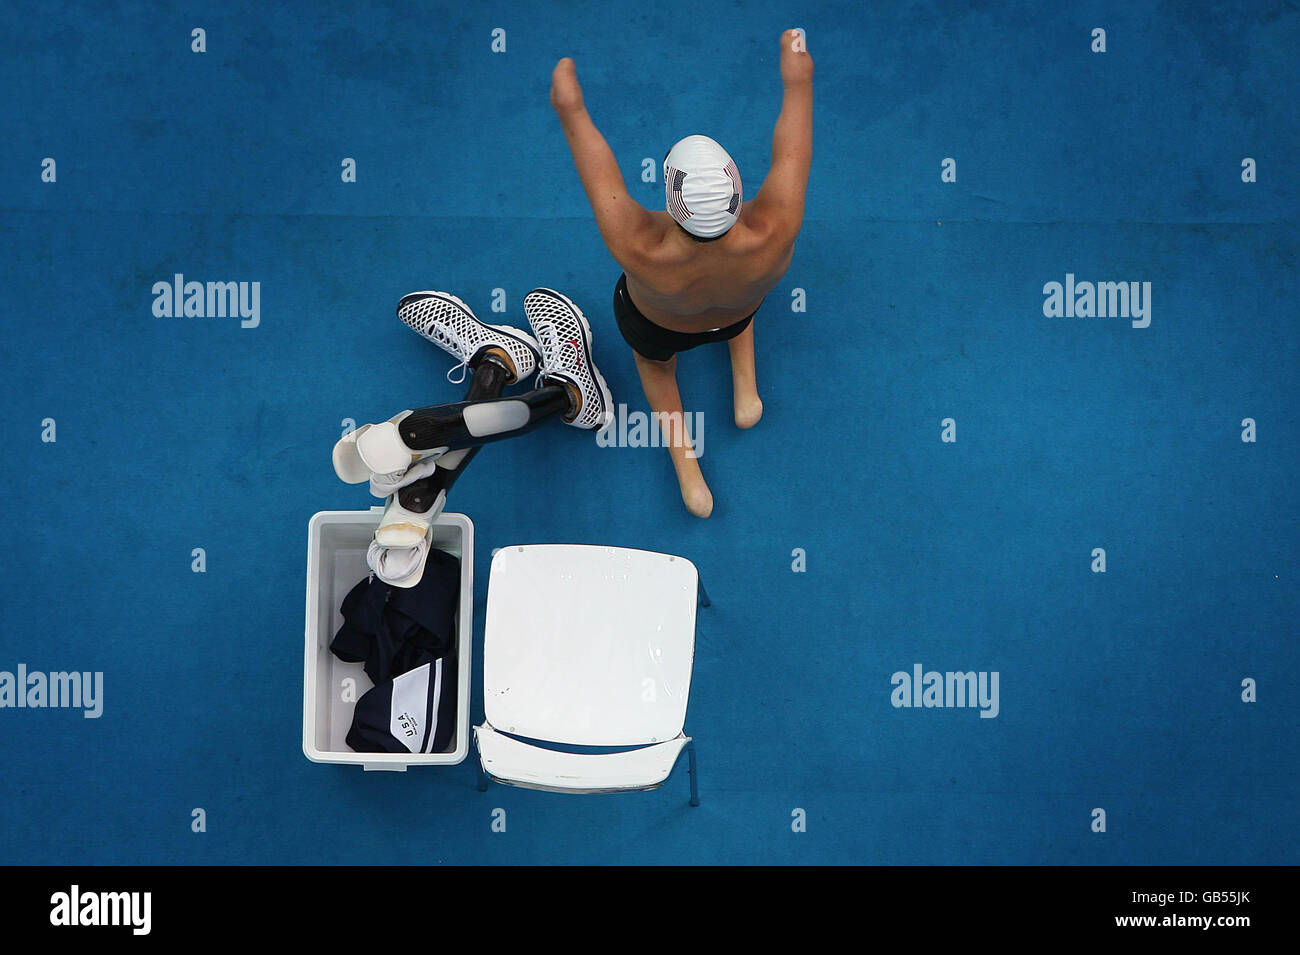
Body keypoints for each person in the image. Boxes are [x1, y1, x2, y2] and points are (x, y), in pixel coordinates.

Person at [549, 29, 813, 517]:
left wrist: (571, 108)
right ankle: (746, 394)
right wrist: (799, 75)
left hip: (661, 325)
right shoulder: (779, 225)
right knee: (735, 298)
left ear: (671, 201)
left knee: (655, 365)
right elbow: (793, 147)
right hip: (737, 308)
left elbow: (597, 169)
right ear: (738, 188)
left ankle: (689, 473)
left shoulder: (637, 244)